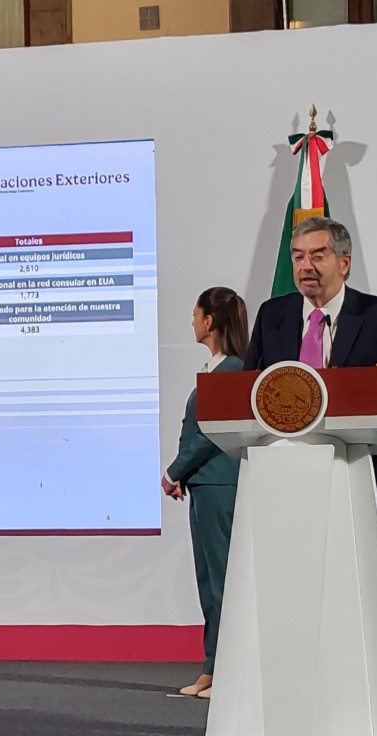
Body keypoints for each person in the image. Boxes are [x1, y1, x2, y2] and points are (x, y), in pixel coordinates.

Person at [244, 217, 377, 528]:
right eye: (298, 257)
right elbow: (247, 388)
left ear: (344, 263)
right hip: (283, 476)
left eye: (317, 256)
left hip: (359, 472)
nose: (305, 266)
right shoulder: (271, 315)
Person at [162, 286, 249, 700]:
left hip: (218, 483)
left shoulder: (232, 370)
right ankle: (213, 666)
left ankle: (230, 669)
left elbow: (210, 432)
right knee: (209, 581)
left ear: (210, 321)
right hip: (204, 483)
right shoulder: (217, 369)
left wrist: (174, 471)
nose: (192, 322)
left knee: (221, 581)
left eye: (196, 315)